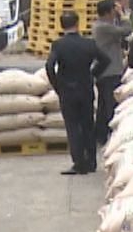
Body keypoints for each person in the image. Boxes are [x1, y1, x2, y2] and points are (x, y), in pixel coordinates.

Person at [45, 10, 107, 176]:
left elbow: (50, 66)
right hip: (86, 88)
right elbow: (105, 60)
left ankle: (79, 162)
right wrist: (93, 74)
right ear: (78, 24)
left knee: (72, 126)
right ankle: (92, 161)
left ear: (61, 25)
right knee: (88, 124)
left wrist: (57, 85)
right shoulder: (89, 44)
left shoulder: (58, 45)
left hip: (67, 90)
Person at [91, 0, 128, 142]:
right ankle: (112, 134)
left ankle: (100, 135)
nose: (116, 13)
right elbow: (126, 30)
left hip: (105, 70)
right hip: (109, 71)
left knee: (102, 105)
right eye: (114, 10)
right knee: (110, 105)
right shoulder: (103, 27)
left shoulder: (103, 25)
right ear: (108, 12)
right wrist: (123, 15)